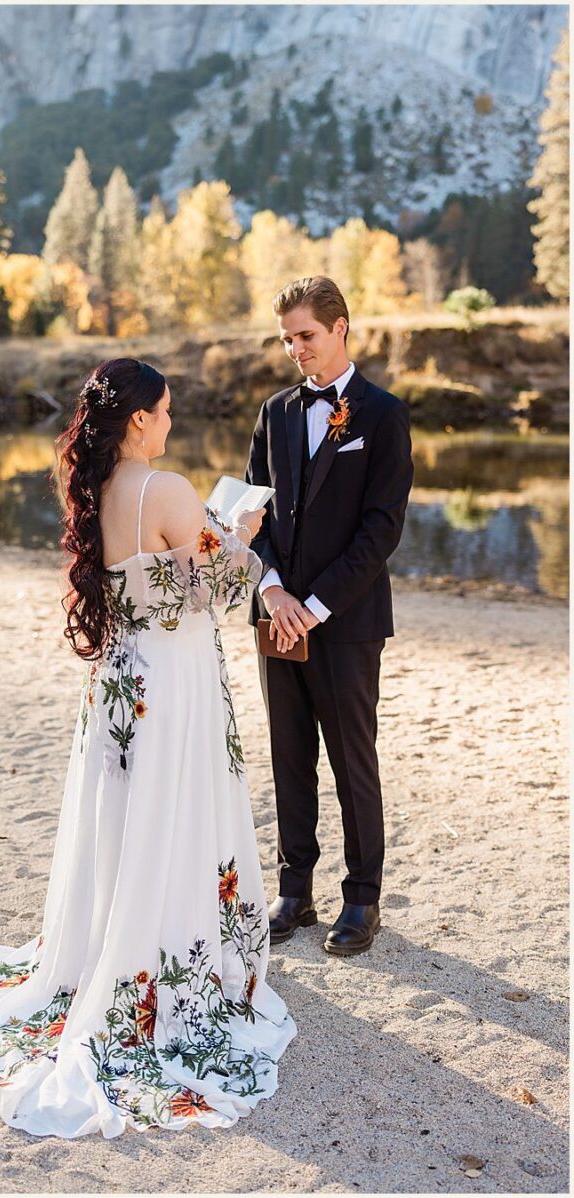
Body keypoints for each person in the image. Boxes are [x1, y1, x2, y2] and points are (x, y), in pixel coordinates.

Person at [0, 358, 295, 1138]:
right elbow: (224, 585)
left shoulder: (103, 491)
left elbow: (166, 582)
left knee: (129, 815)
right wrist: (244, 534)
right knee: (176, 808)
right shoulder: (165, 489)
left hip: (122, 683)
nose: (169, 422)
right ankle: (167, 958)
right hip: (174, 684)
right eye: (163, 411)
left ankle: (108, 944)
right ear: (138, 420)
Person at [246, 276, 413, 957]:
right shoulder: (275, 412)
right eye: (287, 339)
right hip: (277, 621)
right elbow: (249, 518)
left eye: (305, 336)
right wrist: (273, 592)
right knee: (289, 758)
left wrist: (311, 608)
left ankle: (363, 900)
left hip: (345, 624)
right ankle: (295, 889)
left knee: (352, 762)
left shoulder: (383, 415)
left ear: (341, 327)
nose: (295, 351)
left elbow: (380, 531)